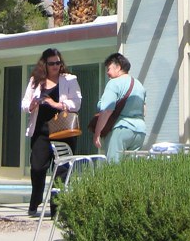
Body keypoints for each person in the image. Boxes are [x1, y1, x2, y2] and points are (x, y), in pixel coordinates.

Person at [21, 48, 81, 217]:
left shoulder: (69, 80)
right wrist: (32, 104)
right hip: (41, 130)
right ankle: (35, 200)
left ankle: (57, 207)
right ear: (44, 64)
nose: (55, 66)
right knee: (37, 167)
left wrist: (55, 104)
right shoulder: (36, 81)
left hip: (63, 131)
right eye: (52, 63)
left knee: (62, 168)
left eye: (58, 63)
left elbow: (76, 104)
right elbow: (24, 103)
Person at [93, 53, 146, 162]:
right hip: (140, 131)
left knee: (114, 166)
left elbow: (107, 110)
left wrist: (97, 133)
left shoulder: (114, 83)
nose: (107, 73)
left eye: (109, 69)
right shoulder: (139, 85)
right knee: (132, 169)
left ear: (118, 67)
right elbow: (144, 111)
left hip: (120, 129)